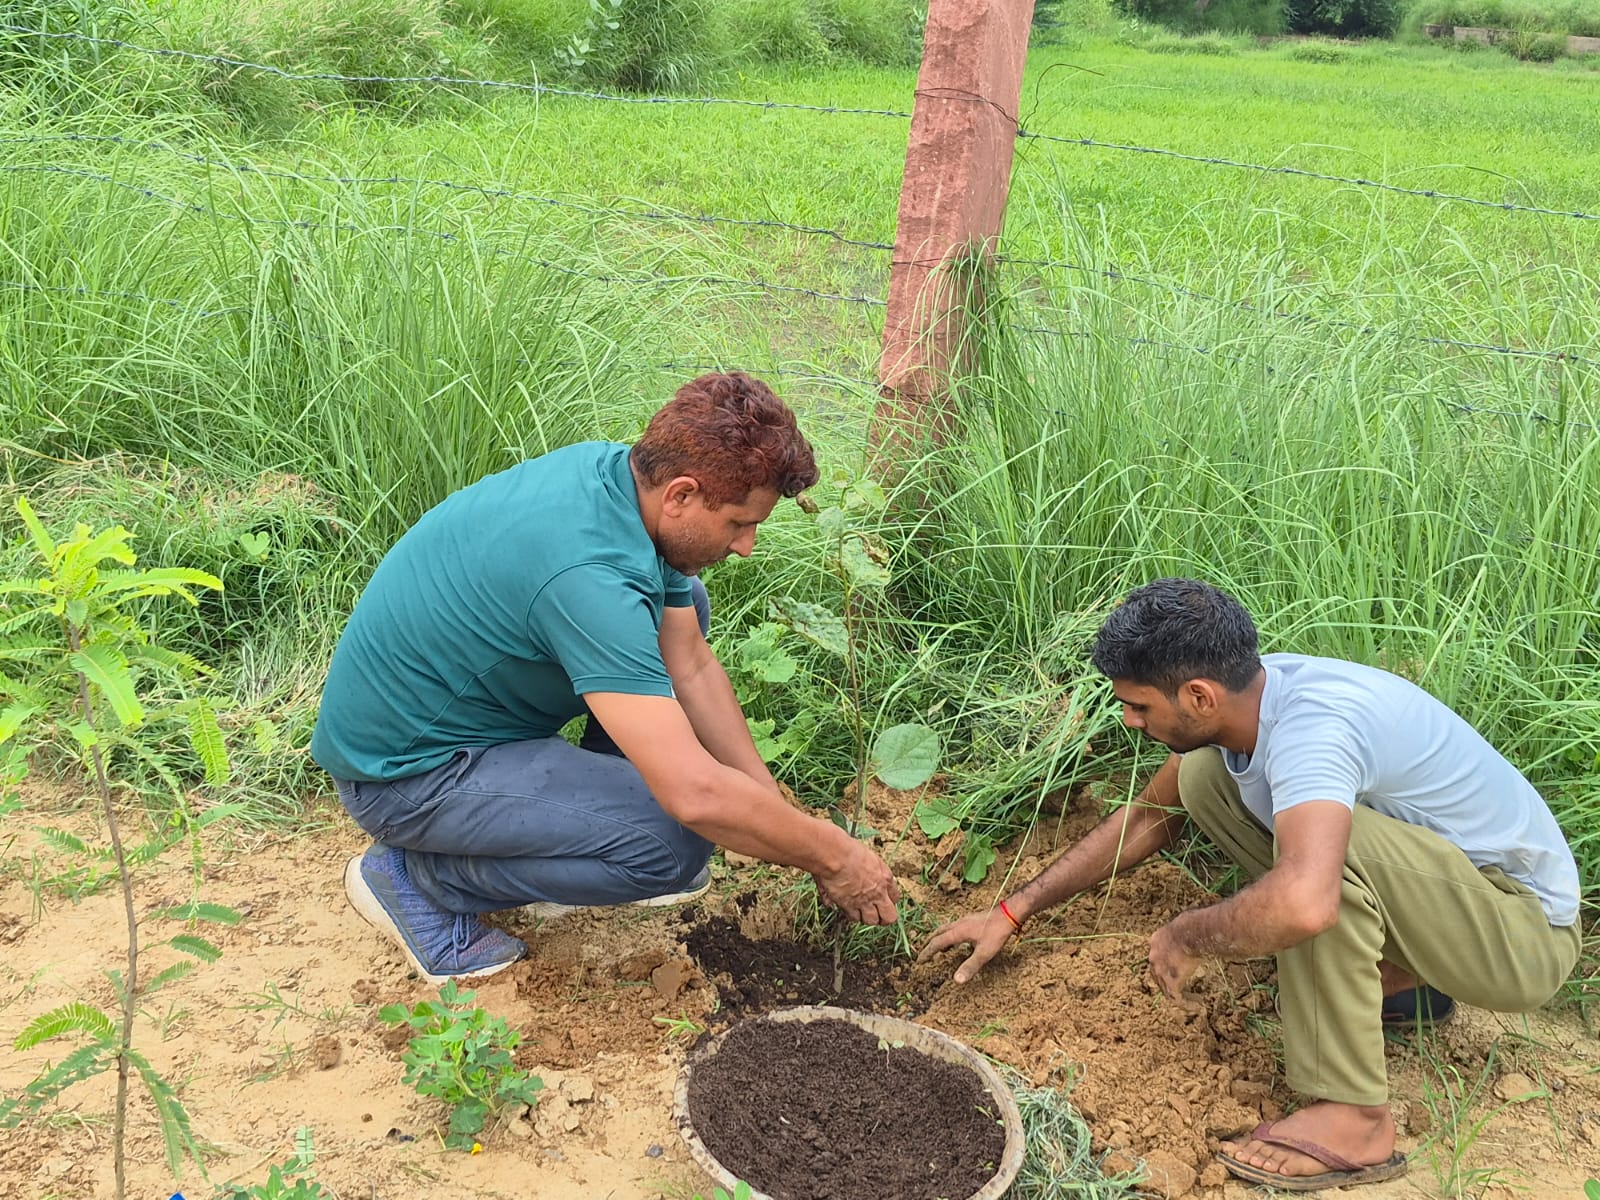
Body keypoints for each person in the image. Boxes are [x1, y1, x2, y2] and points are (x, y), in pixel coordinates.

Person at [920, 578, 1581, 1191]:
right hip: (1457, 905)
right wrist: (1015, 908)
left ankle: (1358, 1118)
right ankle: (1406, 976)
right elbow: (1151, 817)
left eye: (1138, 705)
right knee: (1203, 778)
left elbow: (1303, 902)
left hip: (1521, 936)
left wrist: (1189, 934)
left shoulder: (1312, 733)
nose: (1129, 720)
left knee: (1314, 882)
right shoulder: (1255, 699)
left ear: (1199, 696)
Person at [311, 372, 900, 985]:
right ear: (681, 494)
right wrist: (830, 854)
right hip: (410, 776)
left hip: (470, 717)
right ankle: (417, 882)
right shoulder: (590, 576)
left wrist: (767, 803)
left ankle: (590, 814)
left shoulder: (621, 486)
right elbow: (695, 797)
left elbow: (691, 661)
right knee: (673, 844)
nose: (747, 546)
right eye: (737, 523)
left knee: (684, 603)